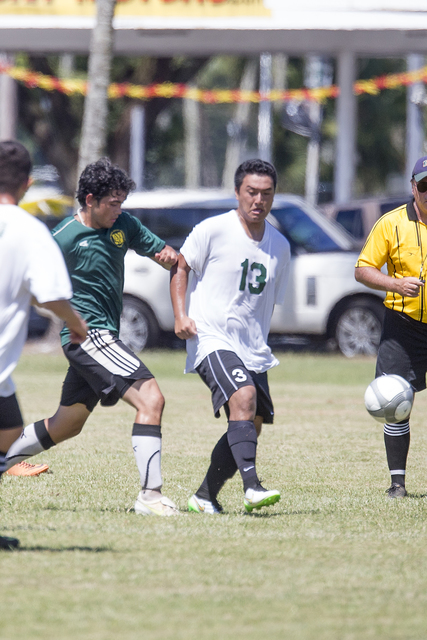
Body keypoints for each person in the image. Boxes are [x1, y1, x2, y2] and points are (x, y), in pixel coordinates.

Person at [5, 157, 179, 517]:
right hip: (88, 337)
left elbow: (165, 254)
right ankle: (150, 497)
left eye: (121, 203)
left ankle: (5, 460)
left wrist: (172, 258)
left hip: (105, 336)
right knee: (151, 399)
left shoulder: (124, 225)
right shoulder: (63, 238)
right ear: (89, 200)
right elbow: (38, 285)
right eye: (112, 204)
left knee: (67, 424)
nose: (118, 210)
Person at [170, 159, 291, 514]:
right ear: (237, 192)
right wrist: (180, 315)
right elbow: (181, 265)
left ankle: (204, 495)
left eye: (266, 194)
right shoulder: (213, 230)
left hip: (253, 348)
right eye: (251, 192)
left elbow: (266, 304)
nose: (258, 200)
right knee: (243, 395)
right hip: (210, 337)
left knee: (250, 423)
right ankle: (252, 487)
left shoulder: (280, 246)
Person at [0, 140, 87, 549]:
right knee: (8, 432)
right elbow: (50, 294)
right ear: (27, 183)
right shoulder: (28, 231)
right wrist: (74, 320)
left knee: (10, 429)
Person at [355, 154, 427, 498]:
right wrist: (395, 284)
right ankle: (397, 484)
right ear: (413, 187)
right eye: (424, 186)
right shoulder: (391, 223)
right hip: (402, 326)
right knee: (395, 402)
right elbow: (363, 269)